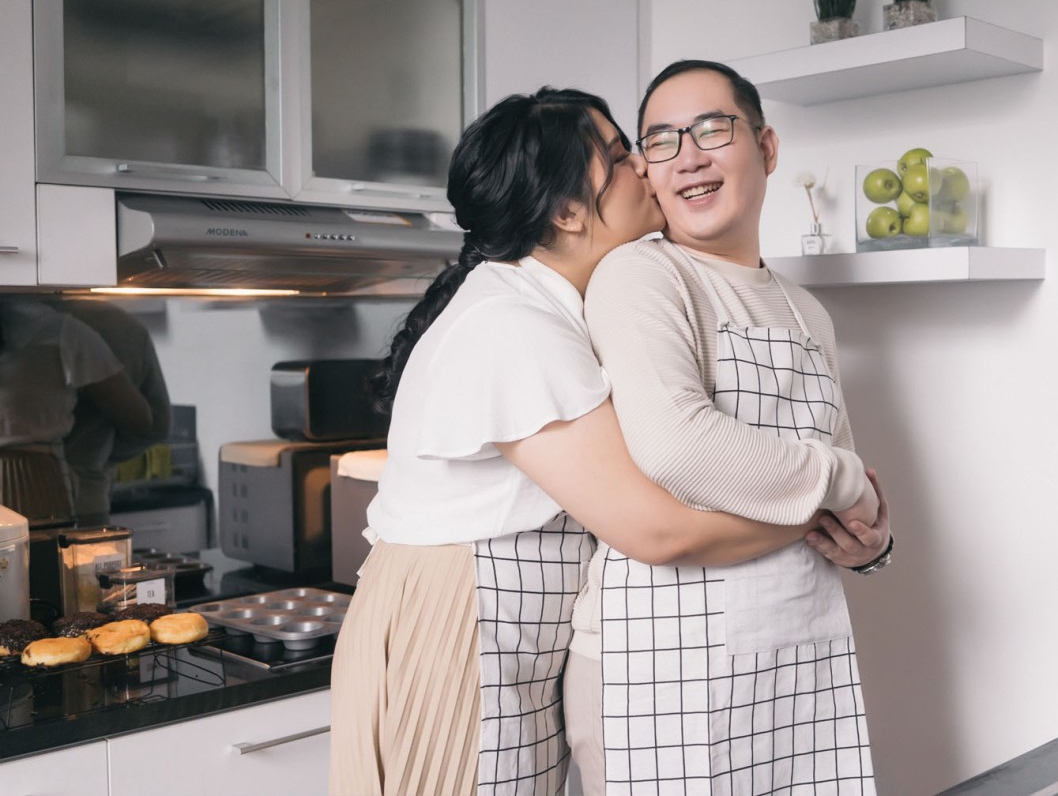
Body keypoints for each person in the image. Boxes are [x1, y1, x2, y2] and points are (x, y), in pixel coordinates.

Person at [327, 88, 875, 796]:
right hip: (453, 627)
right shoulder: (513, 326)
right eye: (619, 157)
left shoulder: (544, 308)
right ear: (566, 211)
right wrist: (824, 508)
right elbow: (658, 530)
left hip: (502, 641)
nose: (646, 166)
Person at [570, 60, 893, 794]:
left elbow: (835, 493)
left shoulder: (808, 312)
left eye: (712, 129)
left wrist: (870, 545)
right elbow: (678, 446)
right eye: (661, 140)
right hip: (657, 662)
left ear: (767, 148)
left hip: (794, 652)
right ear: (648, 172)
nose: (687, 157)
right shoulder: (642, 276)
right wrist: (844, 483)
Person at [0, 299, 154, 524]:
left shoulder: (60, 330)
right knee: (46, 545)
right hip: (37, 481)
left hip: (44, 482)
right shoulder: (60, 331)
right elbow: (140, 420)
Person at [56, 299, 171, 525]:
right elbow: (155, 426)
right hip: (85, 492)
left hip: (16, 495)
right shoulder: (115, 325)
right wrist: (94, 456)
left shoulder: (19, 321)